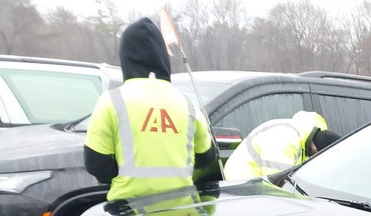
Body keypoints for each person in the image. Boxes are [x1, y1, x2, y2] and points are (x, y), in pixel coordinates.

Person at [84, 17, 217, 201]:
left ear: (126, 57)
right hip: (182, 211)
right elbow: (206, 157)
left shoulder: (111, 101)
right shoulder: (188, 104)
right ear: (162, 57)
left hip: (128, 212)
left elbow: (96, 164)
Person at [224, 111, 341, 180]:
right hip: (240, 186)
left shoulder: (301, 140)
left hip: (252, 187)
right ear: (316, 149)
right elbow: (279, 185)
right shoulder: (287, 139)